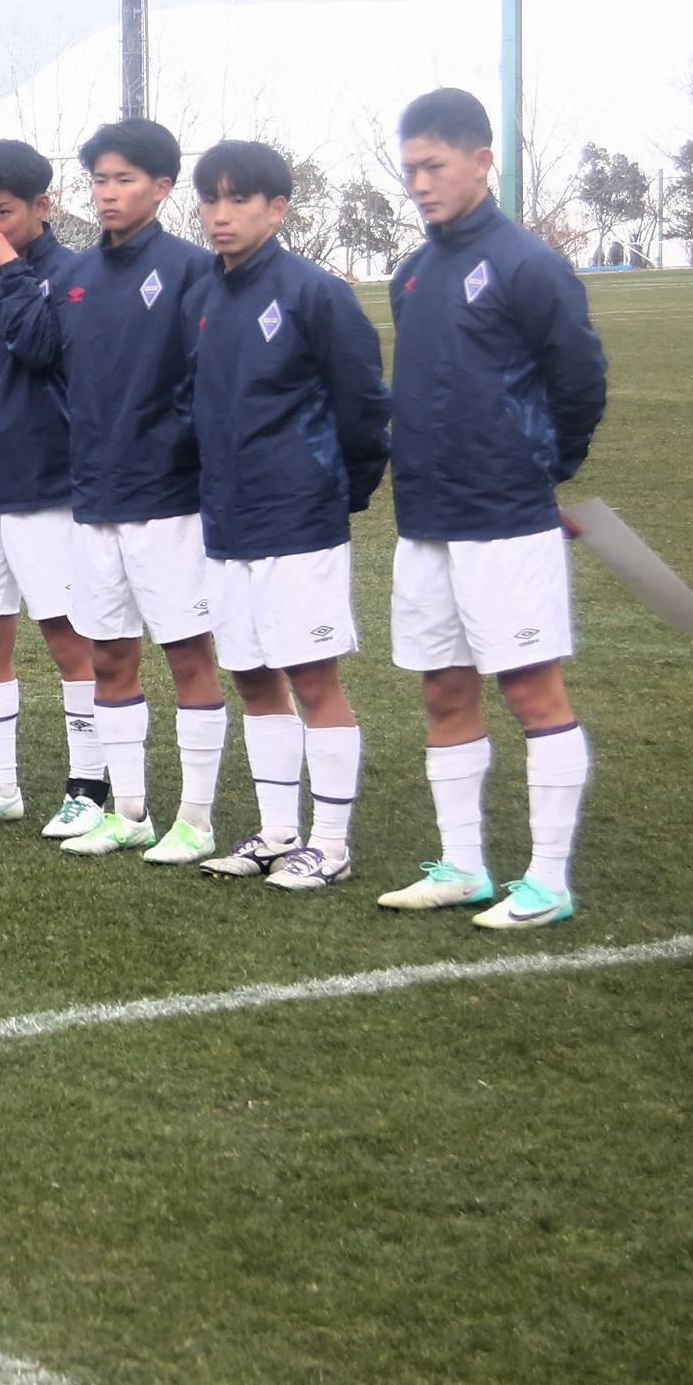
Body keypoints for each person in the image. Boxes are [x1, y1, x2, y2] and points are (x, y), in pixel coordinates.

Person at [377, 86, 607, 929]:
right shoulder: (412, 269)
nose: (420, 184)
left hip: (506, 517)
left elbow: (580, 381)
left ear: (481, 161)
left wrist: (546, 470)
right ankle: (464, 865)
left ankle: (547, 880)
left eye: (433, 166)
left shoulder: (527, 263)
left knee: (531, 690)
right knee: (443, 690)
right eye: (409, 171)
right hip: (426, 517)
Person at [5, 119, 228, 863]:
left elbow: (213, 383)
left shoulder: (195, 270)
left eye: (124, 179)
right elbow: (37, 354)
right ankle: (128, 809)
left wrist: (179, 452)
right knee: (109, 655)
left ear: (163, 188)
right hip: (91, 496)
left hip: (168, 498)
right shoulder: (72, 275)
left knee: (188, 654)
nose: (108, 193)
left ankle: (195, 818)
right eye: (99, 179)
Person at [181, 140, 391, 890]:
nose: (222, 213)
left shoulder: (314, 292)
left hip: (298, 516)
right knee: (250, 674)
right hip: (226, 518)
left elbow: (364, 406)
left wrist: (339, 488)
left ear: (279, 208)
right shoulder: (202, 293)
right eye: (211, 198)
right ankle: (276, 832)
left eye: (240, 198)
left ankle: (330, 843)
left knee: (312, 676)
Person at [0, 139, 107, 835]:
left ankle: (90, 784)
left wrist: (9, 270)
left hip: (46, 484)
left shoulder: (71, 275)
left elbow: (41, 349)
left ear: (43, 203)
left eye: (2, 212)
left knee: (70, 638)